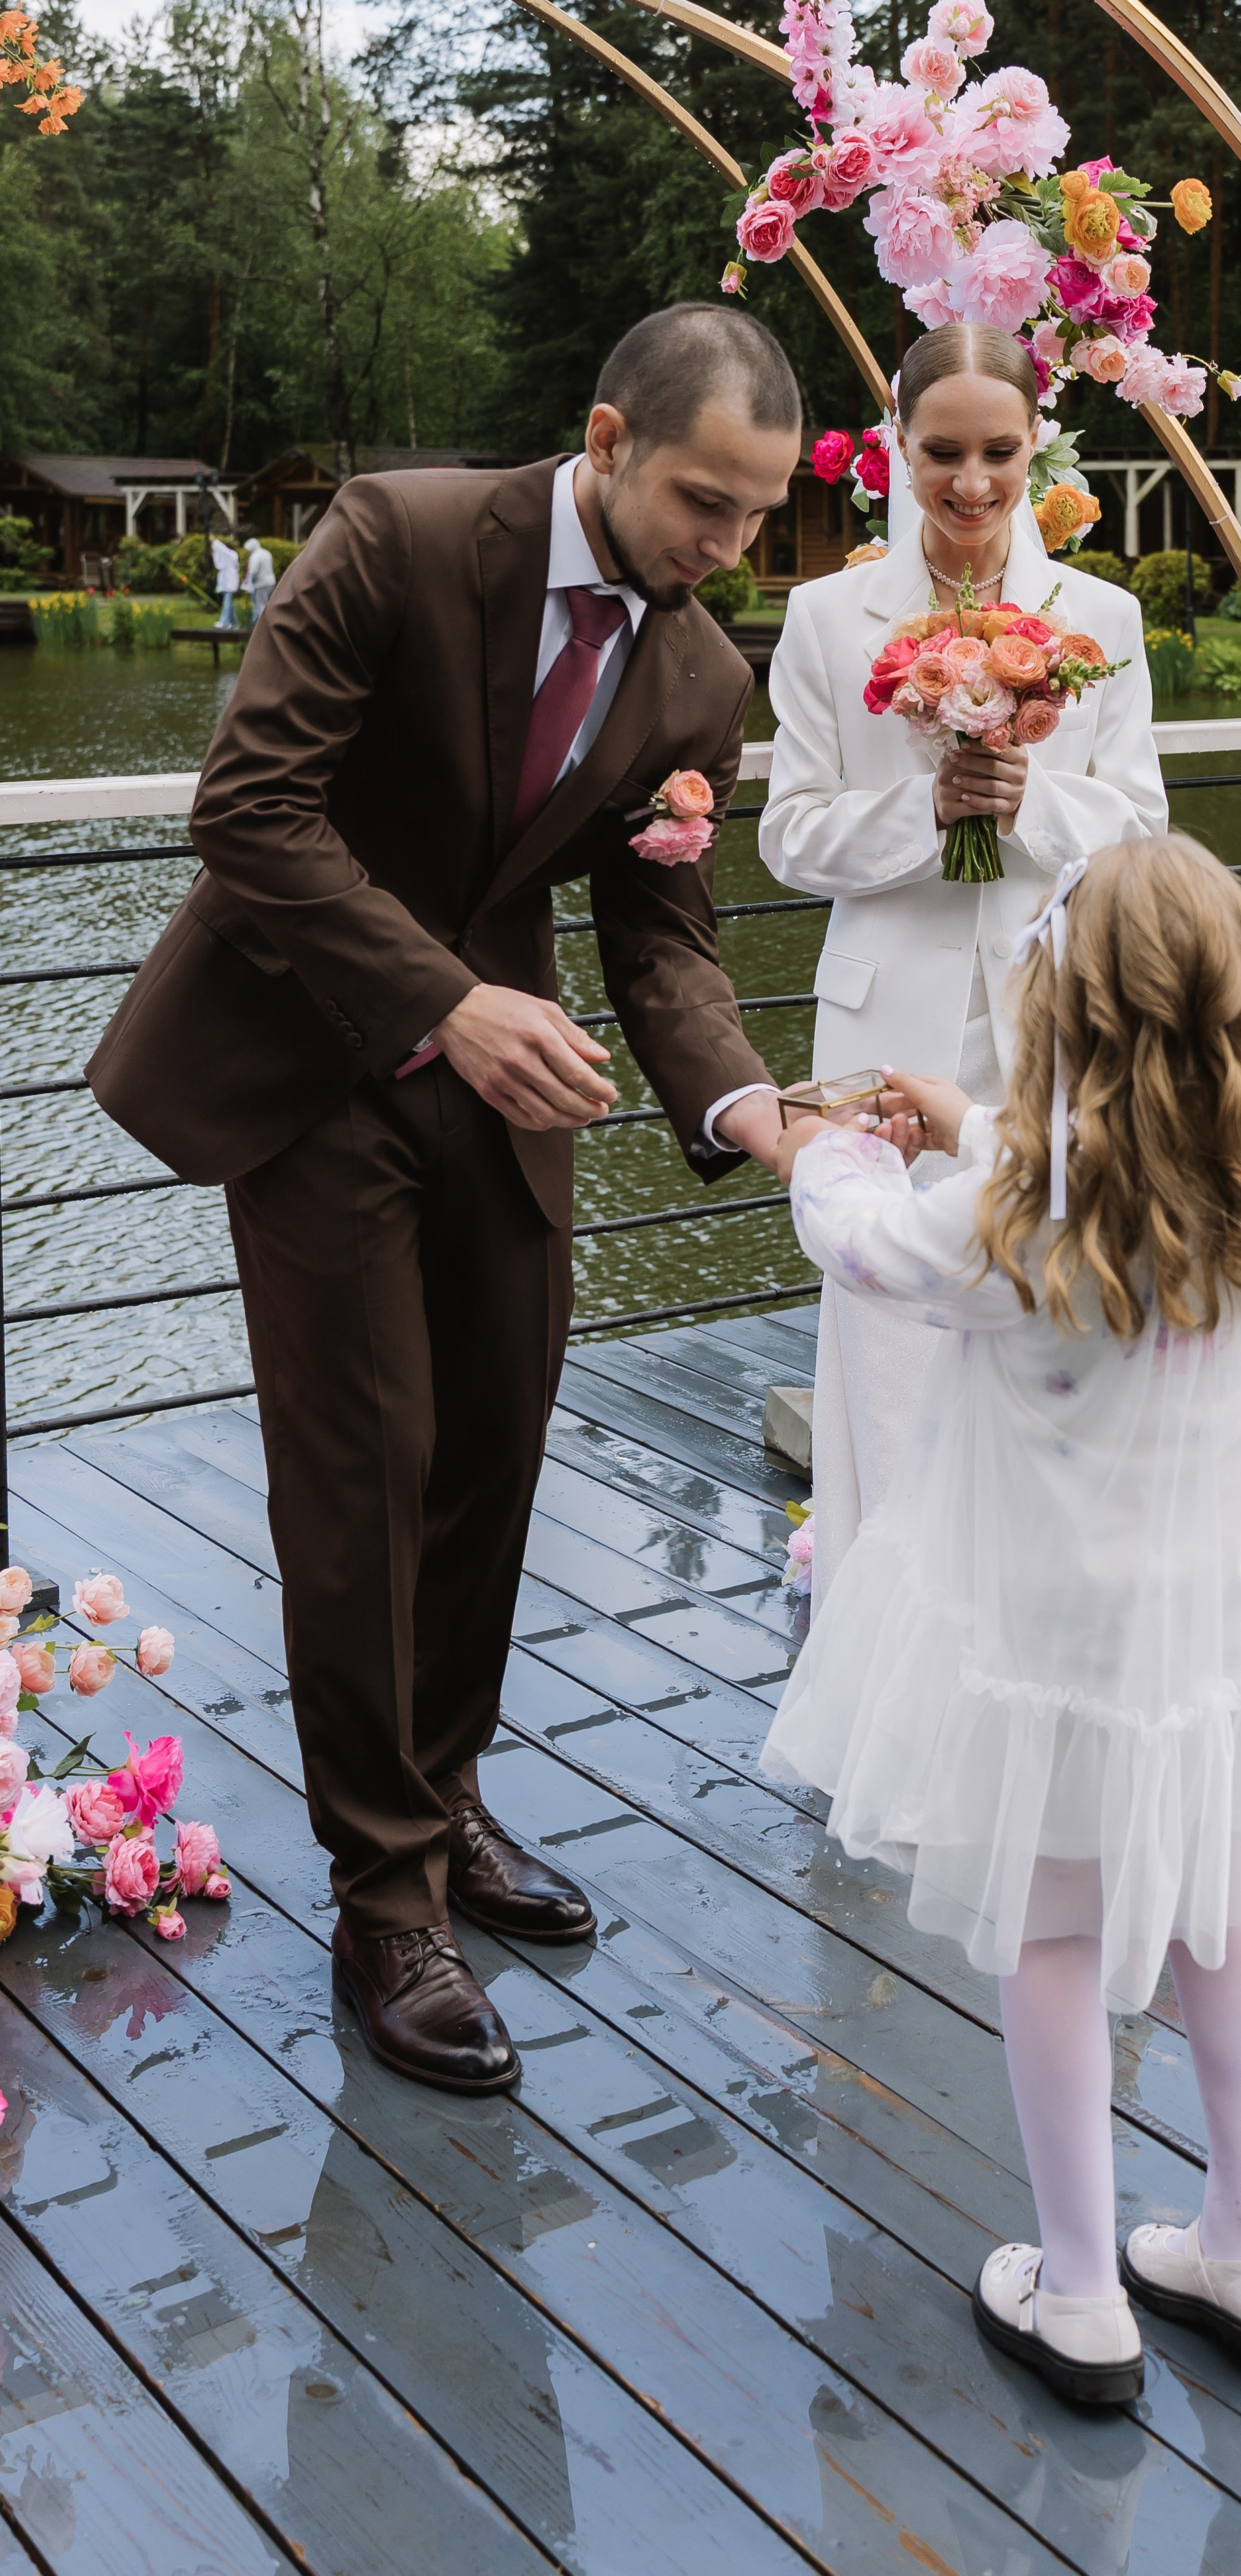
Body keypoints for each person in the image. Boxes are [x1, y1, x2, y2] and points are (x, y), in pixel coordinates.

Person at [87, 304, 804, 2096]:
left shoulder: (704, 674)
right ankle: (384, 1897)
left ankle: (447, 1796)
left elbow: (657, 926)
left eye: (758, 519)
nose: (726, 551)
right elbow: (250, 809)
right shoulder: (400, 536)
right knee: (369, 1470)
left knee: (489, 1452)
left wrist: (741, 1097)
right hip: (310, 1062)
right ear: (609, 437)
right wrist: (448, 1004)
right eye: (706, 503)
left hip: (507, 1096)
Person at [764, 835, 1241, 2406]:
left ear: (1068, 1012)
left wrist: (822, 1146)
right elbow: (1100, 1167)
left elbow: (859, 1239)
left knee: (1047, 1933)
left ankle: (1084, 2286)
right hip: (1217, 1630)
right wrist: (968, 1122)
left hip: (1043, 1636)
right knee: (1225, 1909)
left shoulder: (1005, 1217)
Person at [760, 323, 1169, 1610]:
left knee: (1048, 1285)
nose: (973, 483)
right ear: (899, 443)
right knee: (888, 1314)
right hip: (889, 1018)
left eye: (999, 452)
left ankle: (1033, 1596)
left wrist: (1026, 797)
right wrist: (929, 810)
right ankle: (884, 1601)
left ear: (1034, 444)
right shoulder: (829, 618)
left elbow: (1142, 826)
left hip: (1051, 1009)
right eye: (944, 452)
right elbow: (788, 835)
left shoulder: (1098, 618)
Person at [241, 529, 276, 619]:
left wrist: (251, 583)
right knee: (268, 604)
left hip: (261, 584)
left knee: (261, 606)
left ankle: (262, 626)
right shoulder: (266, 553)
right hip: (271, 582)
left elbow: (254, 572)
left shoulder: (256, 556)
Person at [211, 532, 241, 629]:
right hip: (227, 585)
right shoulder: (228, 561)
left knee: (227, 604)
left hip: (230, 586)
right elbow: (218, 562)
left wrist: (215, 541)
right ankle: (234, 623)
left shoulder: (231, 556)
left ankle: (224, 623)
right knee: (229, 605)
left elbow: (223, 550)